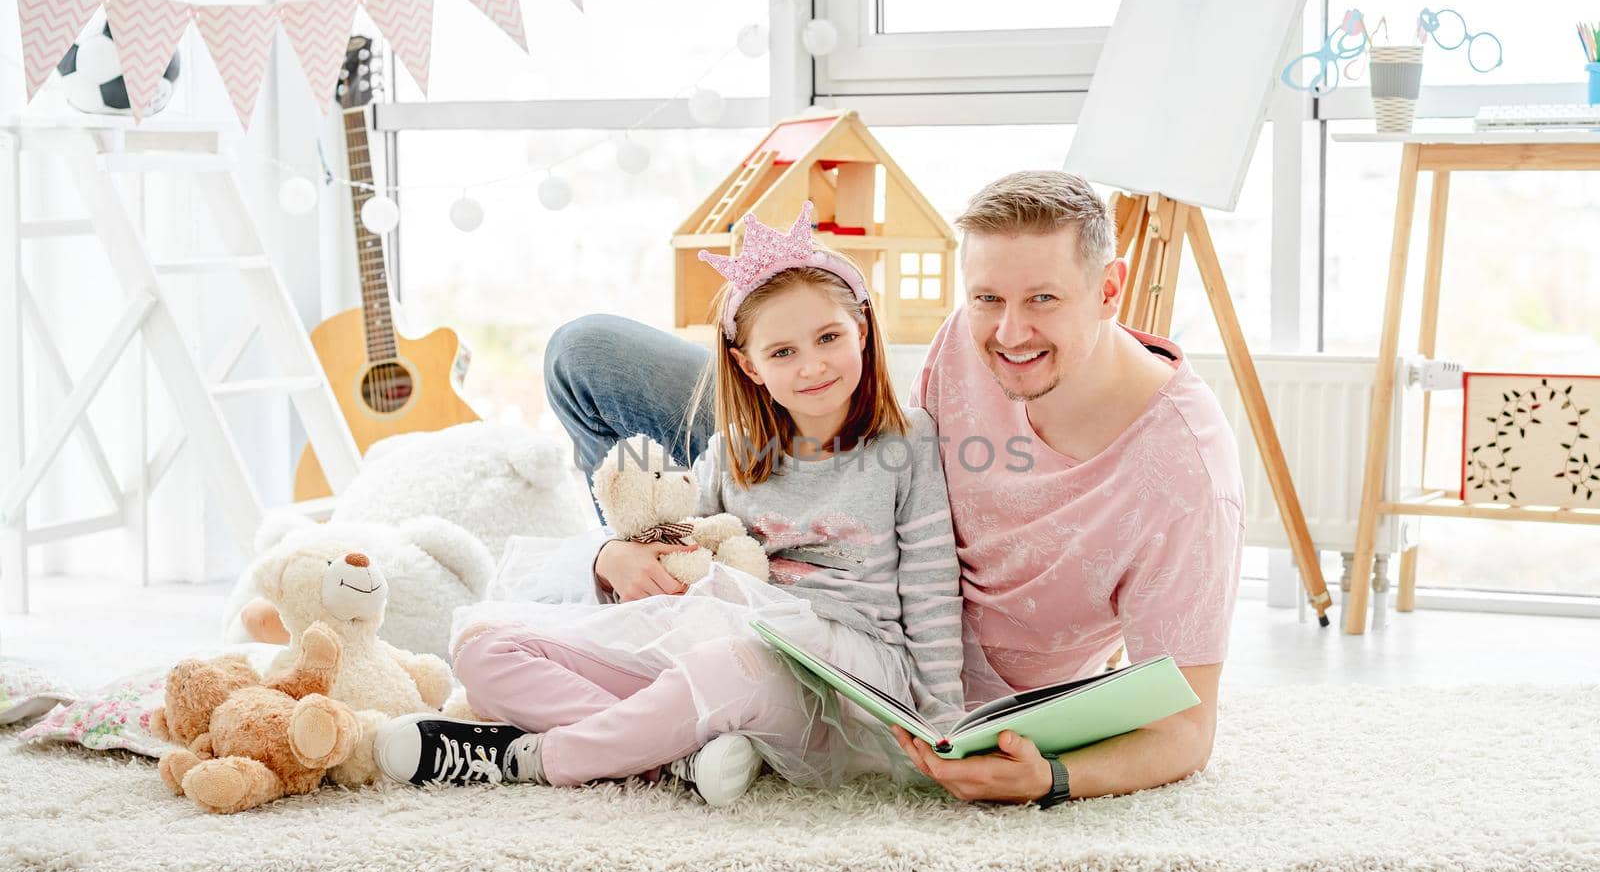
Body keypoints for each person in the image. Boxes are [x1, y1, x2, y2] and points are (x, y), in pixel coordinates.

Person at [538, 170, 1243, 808]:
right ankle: (646, 572)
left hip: (900, 675)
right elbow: (889, 457)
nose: (1009, 331)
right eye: (987, 298)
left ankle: (646, 689)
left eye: (1044, 300)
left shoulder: (1186, 478)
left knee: (729, 656)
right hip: (813, 521)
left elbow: (1186, 726)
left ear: (1110, 290)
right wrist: (632, 546)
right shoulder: (970, 338)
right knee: (587, 352)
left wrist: (1054, 777)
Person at [374, 202, 966, 807]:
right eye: (782, 352)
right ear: (749, 366)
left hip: (846, 676)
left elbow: (931, 588)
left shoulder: (908, 440)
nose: (812, 364)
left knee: (726, 666)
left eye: (829, 338)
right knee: (483, 645)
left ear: (861, 331)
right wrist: (620, 556)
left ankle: (531, 758)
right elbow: (680, 545)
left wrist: (943, 726)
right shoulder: (732, 450)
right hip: (724, 640)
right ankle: (673, 756)